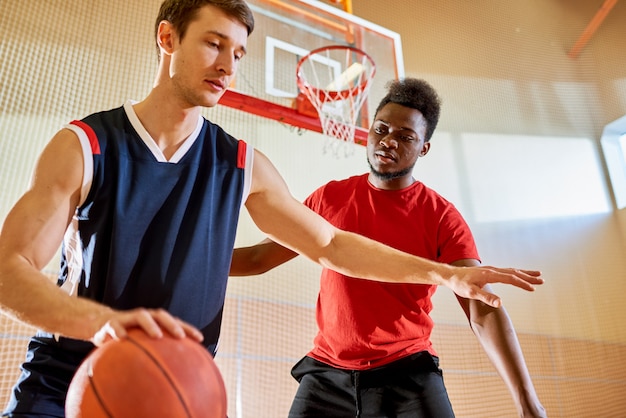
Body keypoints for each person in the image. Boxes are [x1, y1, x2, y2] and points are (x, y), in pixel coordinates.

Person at [0, 1, 543, 416]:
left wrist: (448, 276)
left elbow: (330, 244)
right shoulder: (84, 146)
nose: (228, 66)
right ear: (167, 37)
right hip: (66, 377)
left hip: (182, 388)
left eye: (237, 53)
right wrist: (106, 325)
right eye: (214, 45)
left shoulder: (242, 164)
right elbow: (9, 273)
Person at [230, 78, 547, 417]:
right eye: (381, 130)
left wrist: (528, 400)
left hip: (406, 371)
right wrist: (179, 256)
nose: (388, 142)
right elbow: (260, 257)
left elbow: (481, 307)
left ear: (424, 147)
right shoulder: (329, 198)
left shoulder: (441, 216)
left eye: (405, 137)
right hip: (326, 376)